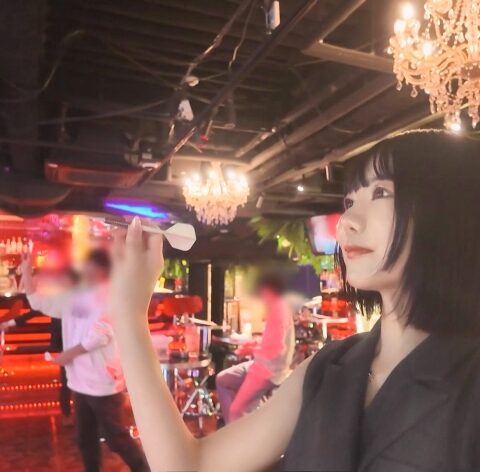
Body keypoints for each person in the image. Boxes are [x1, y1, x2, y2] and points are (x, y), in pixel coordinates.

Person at [109, 131, 480, 472]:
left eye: (381, 193)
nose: (346, 221)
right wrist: (129, 315)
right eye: (350, 200)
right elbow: (190, 466)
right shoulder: (327, 368)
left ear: (451, 209)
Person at [22, 249, 149, 472]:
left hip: (103, 383)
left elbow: (102, 334)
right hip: (79, 382)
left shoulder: (110, 295)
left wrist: (69, 354)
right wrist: (26, 272)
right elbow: (39, 303)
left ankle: (144, 469)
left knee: (115, 438)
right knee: (85, 438)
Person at [216, 274, 295, 423]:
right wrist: (254, 343)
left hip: (269, 371)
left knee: (236, 411)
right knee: (223, 379)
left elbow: (275, 349)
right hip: (260, 364)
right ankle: (234, 426)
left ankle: (240, 428)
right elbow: (271, 341)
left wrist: (250, 350)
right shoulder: (276, 308)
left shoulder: (279, 311)